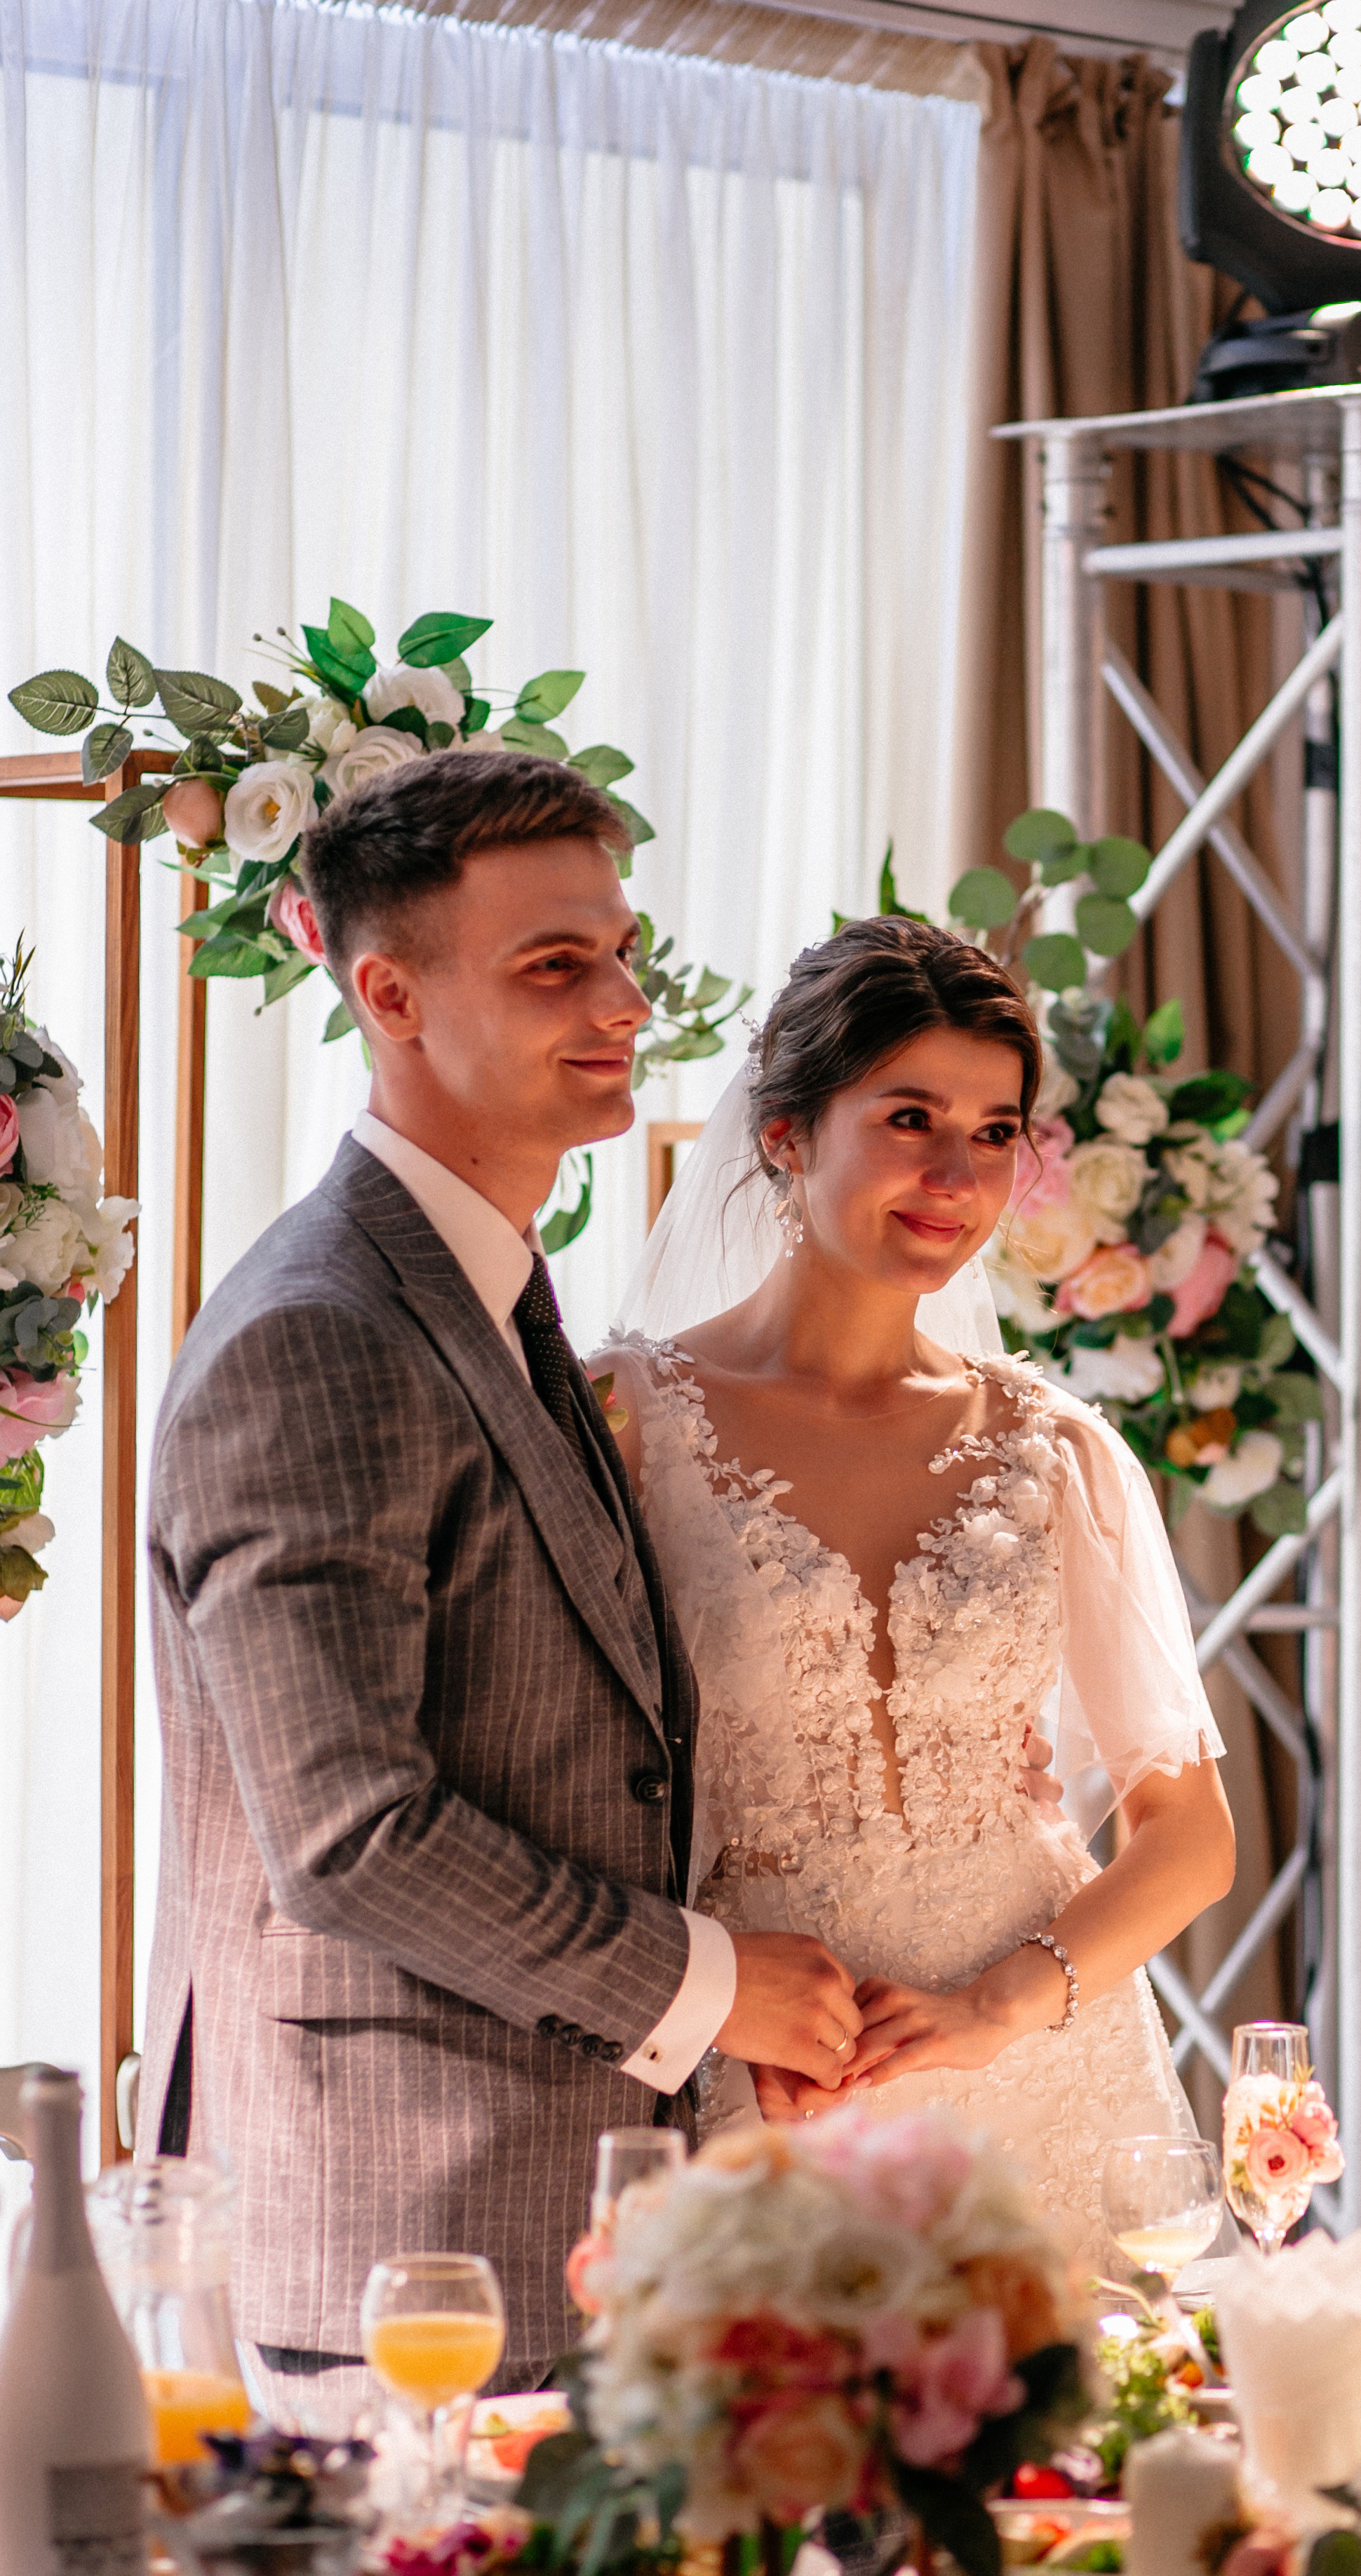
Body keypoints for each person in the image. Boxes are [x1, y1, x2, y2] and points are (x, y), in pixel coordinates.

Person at [136, 751, 861, 2387]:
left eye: (619, 953)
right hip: (401, 2243)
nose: (621, 1002)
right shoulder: (317, 1334)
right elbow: (350, 1833)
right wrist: (705, 1990)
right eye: (554, 968)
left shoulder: (493, 1291)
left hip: (556, 2216)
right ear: (387, 991)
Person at [594, 918, 1237, 2264]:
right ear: (784, 1133)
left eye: (995, 1132)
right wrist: (710, 1999)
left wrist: (1002, 2004)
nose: (957, 1174)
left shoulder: (1055, 1448)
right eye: (909, 1117)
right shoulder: (626, 1422)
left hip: (1044, 2071)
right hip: (770, 2076)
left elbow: (1188, 1833)